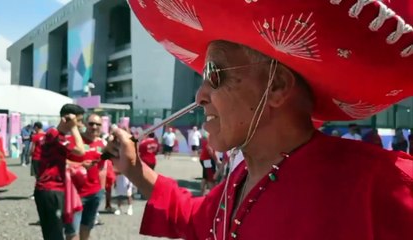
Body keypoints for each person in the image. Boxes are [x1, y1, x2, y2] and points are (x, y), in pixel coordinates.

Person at [106, 1, 413, 239]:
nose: (200, 95)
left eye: (215, 74)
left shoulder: (381, 185)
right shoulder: (243, 178)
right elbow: (197, 220)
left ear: (277, 86)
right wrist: (134, 169)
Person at [34, 104, 85, 240]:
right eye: (78, 120)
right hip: (50, 189)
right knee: (54, 235)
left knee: (54, 232)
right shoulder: (54, 134)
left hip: (52, 189)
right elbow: (81, 151)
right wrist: (73, 127)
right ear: (65, 118)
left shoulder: (56, 136)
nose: (80, 125)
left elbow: (58, 161)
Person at [65, 114, 107, 240]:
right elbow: (61, 161)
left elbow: (102, 168)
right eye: (91, 124)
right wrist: (80, 165)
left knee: (86, 228)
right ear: (85, 124)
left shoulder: (102, 144)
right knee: (72, 231)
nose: (94, 127)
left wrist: (102, 191)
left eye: (98, 124)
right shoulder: (74, 141)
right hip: (74, 194)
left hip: (94, 193)